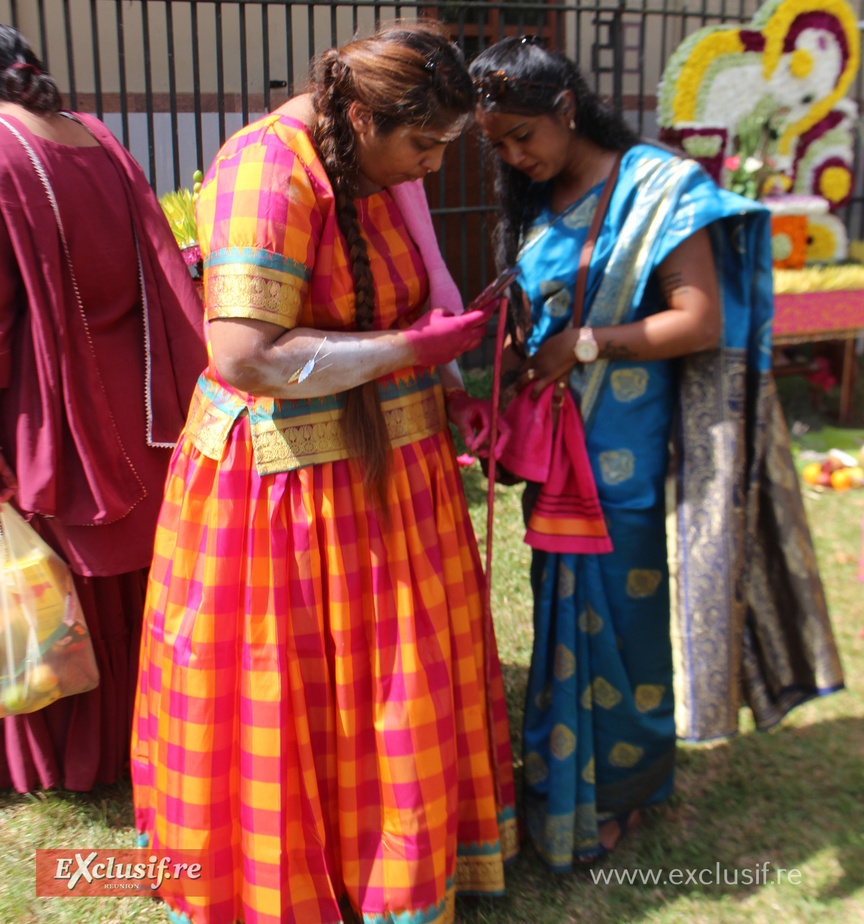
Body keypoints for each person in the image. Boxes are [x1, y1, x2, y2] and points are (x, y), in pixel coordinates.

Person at [131, 21, 518, 924]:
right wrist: (412, 351)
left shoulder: (377, 166)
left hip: (398, 466)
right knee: (301, 691)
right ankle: (297, 875)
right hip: (287, 489)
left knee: (398, 680)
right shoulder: (268, 171)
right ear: (358, 113)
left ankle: (400, 861)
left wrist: (449, 379)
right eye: (422, 145)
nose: (432, 167)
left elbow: (412, 297)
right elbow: (246, 357)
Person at [470, 36, 844, 867]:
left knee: (625, 625)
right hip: (558, 455)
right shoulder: (538, 197)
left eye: (522, 135)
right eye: (495, 142)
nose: (511, 155)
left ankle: (625, 791)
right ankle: (559, 782)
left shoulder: (660, 188)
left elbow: (700, 319)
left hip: (629, 458)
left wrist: (586, 345)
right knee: (559, 613)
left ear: (567, 109)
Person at [0, 24, 206, 792]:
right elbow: (156, 257)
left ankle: (70, 753)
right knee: (142, 576)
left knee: (58, 577)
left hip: (49, 394)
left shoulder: (2, 152)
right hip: (143, 387)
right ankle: (152, 727)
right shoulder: (95, 135)